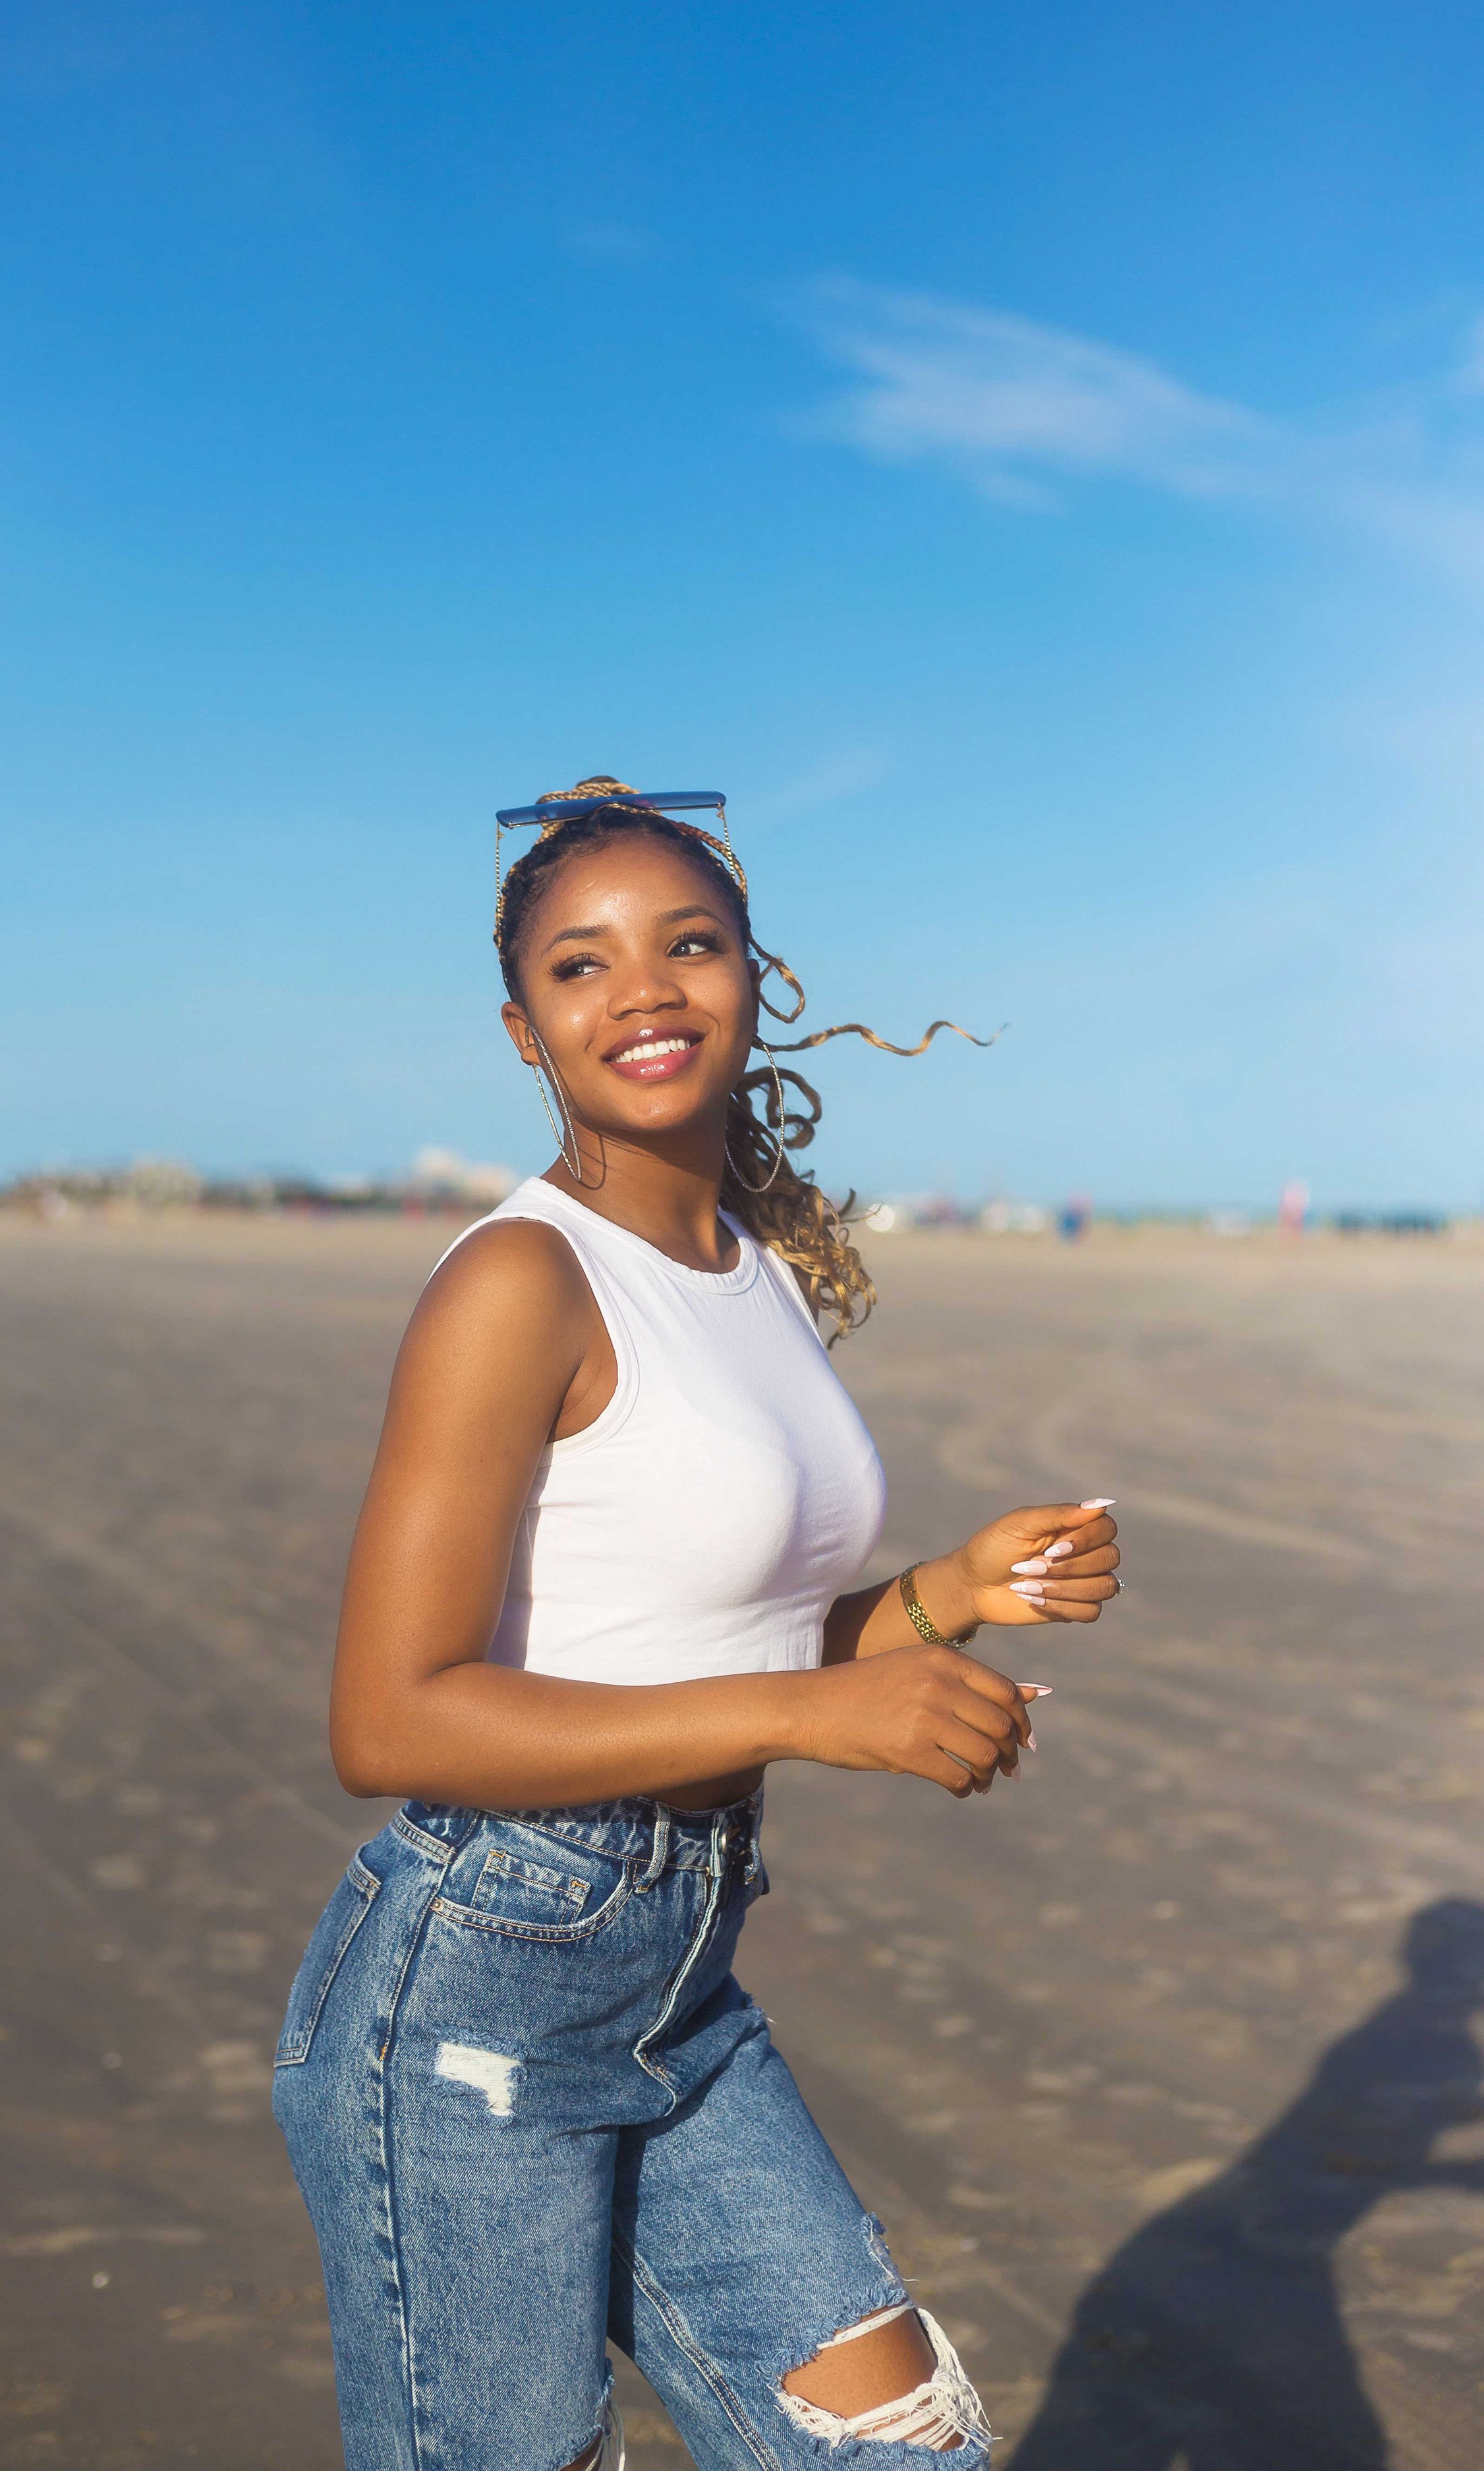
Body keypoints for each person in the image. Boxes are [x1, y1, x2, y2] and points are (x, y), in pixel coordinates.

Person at [273, 778, 1123, 2471]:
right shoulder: (514, 1282)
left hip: (676, 1970)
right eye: (581, 968)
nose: (643, 991)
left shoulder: (755, 1269)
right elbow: (390, 1720)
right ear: (523, 1032)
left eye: (687, 944)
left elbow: (713, 1635)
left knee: (894, 2441)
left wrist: (947, 1593)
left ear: (752, 974)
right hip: (478, 1990)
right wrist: (813, 1719)